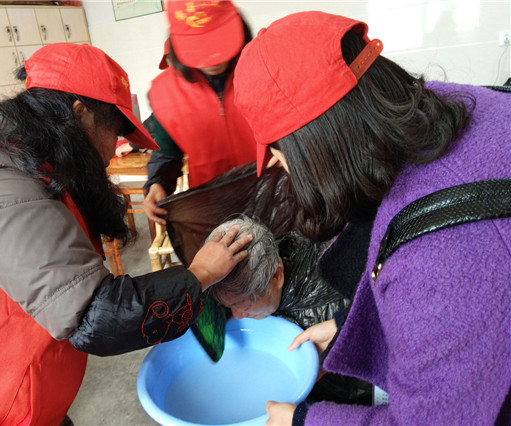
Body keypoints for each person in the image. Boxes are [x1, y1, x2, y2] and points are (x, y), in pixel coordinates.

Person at [0, 43, 252, 425]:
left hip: (31, 398)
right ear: (79, 113)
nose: (110, 152)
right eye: (114, 132)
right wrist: (202, 273)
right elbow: (96, 317)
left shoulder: (30, 156)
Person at [233, 11, 511, 425]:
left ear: (314, 148)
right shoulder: (454, 103)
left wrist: (302, 421)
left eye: (280, 154)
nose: (282, 167)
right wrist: (353, 327)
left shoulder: (435, 264)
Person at [206, 216, 375, 406]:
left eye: (244, 305)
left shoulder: (337, 281)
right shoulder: (258, 263)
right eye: (228, 305)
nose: (236, 316)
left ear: (277, 275)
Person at [143, 0, 257, 225]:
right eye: (201, 48)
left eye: (219, 42)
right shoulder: (166, 92)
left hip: (274, 192)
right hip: (212, 205)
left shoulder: (261, 69)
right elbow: (167, 153)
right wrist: (157, 183)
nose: (213, 59)